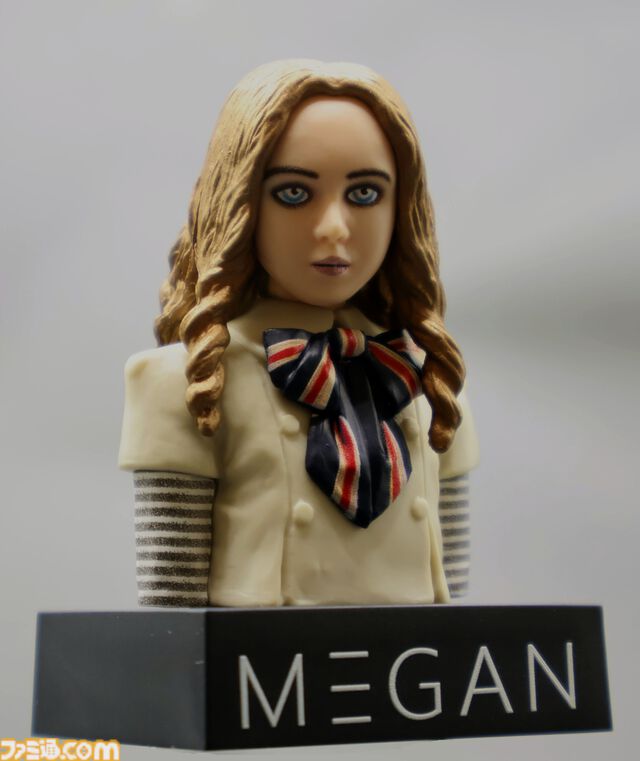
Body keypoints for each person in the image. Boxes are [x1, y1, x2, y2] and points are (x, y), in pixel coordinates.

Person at [119, 59, 479, 608]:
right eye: (293, 193)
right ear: (240, 202)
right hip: (260, 662)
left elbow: (457, 604)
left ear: (401, 206)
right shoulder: (189, 380)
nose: (333, 228)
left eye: (365, 194)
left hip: (409, 662)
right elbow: (171, 614)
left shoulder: (430, 381)